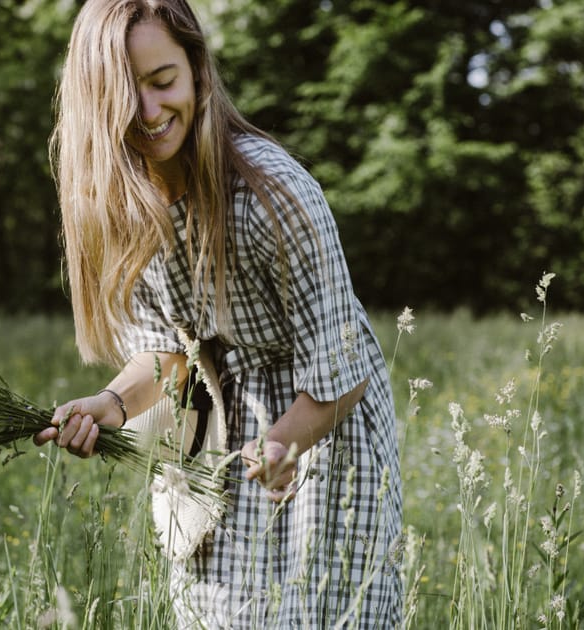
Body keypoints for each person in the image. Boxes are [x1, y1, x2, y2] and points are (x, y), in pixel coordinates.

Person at [33, 0, 403, 626]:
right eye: (127, 91)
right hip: (219, 439)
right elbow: (169, 354)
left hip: (316, 427)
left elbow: (343, 361)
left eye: (163, 81)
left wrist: (283, 442)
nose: (150, 111)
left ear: (198, 72)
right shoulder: (131, 209)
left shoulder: (270, 193)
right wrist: (113, 403)